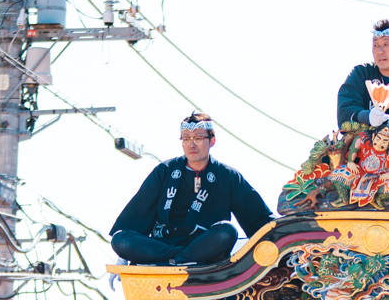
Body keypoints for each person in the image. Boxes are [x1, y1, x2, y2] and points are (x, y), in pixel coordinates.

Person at [111, 110, 271, 266]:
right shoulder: (165, 170)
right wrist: (123, 256)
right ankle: (178, 259)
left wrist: (286, 230)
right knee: (120, 240)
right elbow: (138, 212)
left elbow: (259, 219)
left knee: (227, 231)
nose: (191, 144)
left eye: (199, 138)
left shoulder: (228, 175)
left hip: (203, 247)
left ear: (212, 140)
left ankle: (175, 260)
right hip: (163, 245)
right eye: (186, 139)